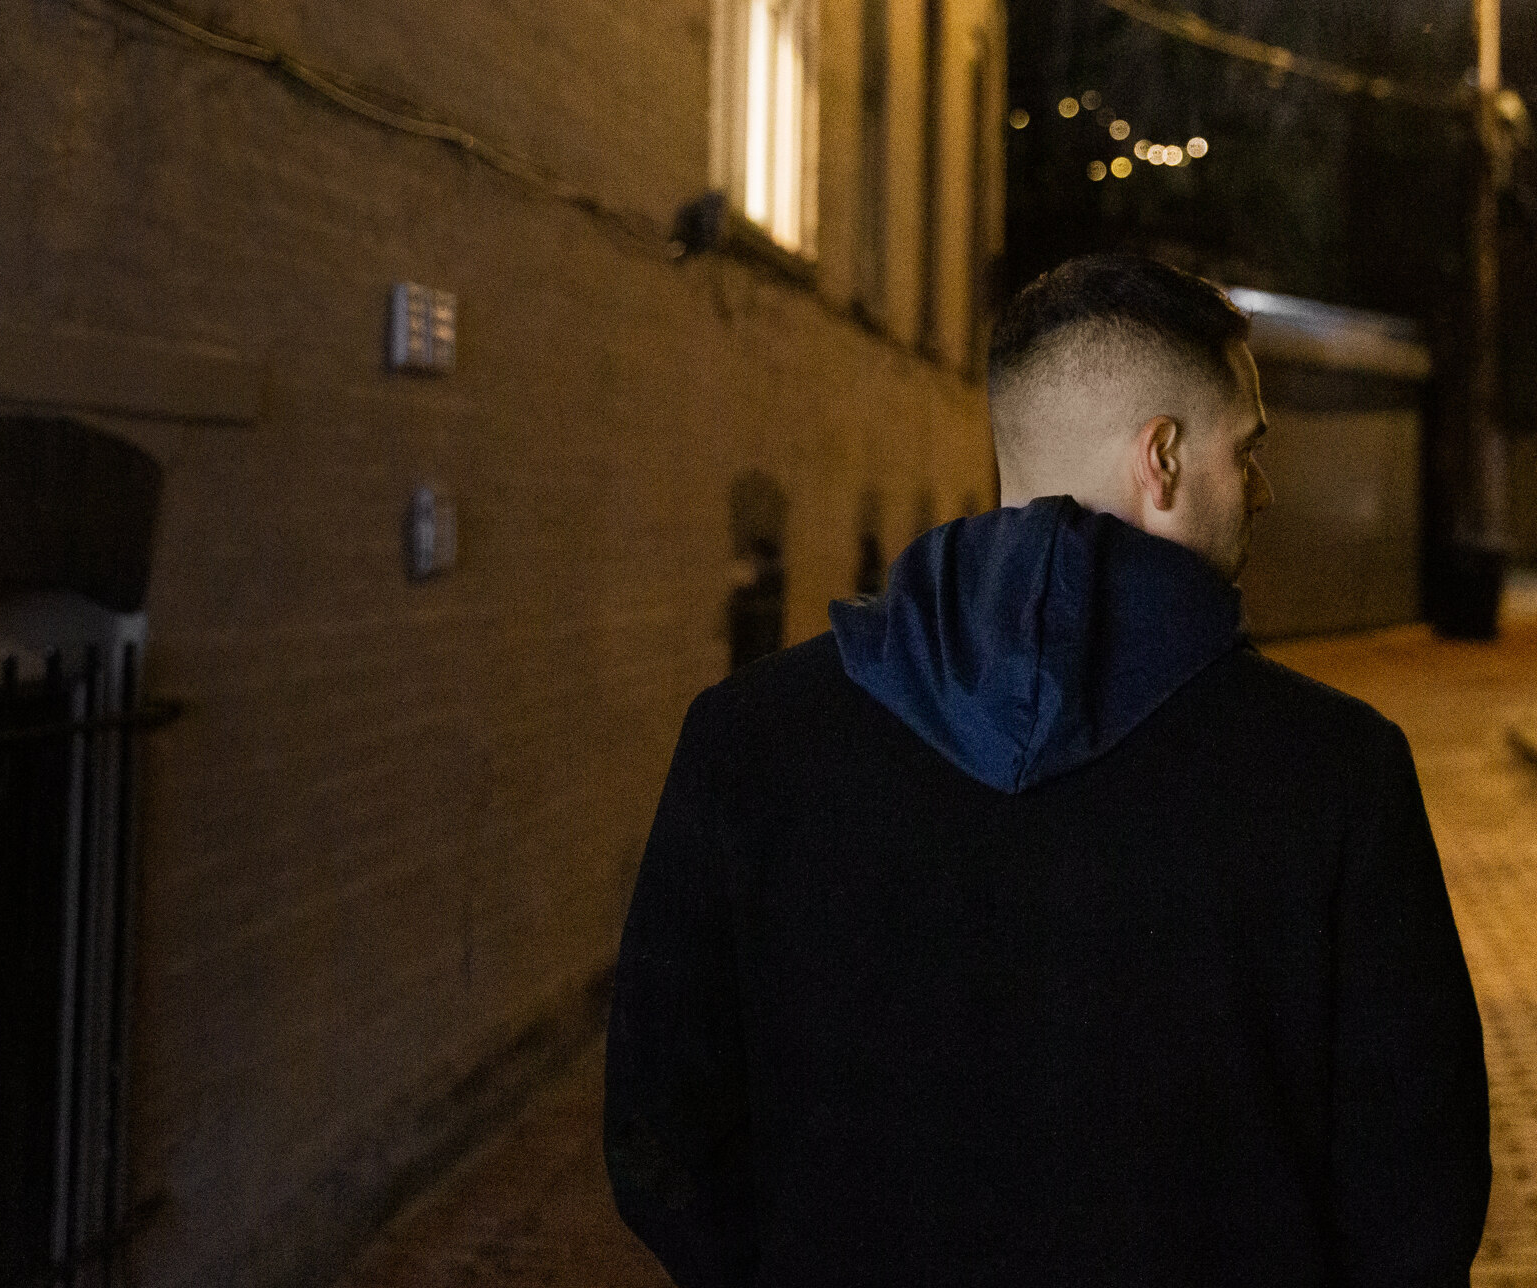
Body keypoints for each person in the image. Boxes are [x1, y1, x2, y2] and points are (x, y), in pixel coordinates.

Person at [605, 254, 1490, 1287]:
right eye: (1245, 449)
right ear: (1160, 459)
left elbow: (661, 1134)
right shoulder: (1339, 775)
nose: (1261, 487)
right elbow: (1416, 1188)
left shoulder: (747, 743)